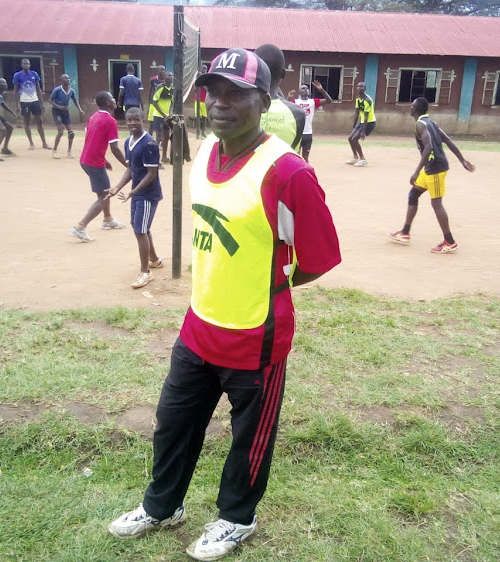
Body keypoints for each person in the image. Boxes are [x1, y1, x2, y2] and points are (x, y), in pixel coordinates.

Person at [106, 48, 341, 562]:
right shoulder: (206, 149)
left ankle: (237, 519)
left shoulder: (288, 172)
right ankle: (162, 507)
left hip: (255, 336)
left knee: (248, 441)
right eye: (214, 90)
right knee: (173, 423)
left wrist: (273, 285)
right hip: (198, 326)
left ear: (265, 99)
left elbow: (322, 257)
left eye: (236, 92)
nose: (220, 102)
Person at [387, 97, 475, 254]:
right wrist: (461, 160)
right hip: (430, 168)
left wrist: (415, 171)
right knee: (413, 194)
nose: (410, 108)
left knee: (436, 204)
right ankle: (405, 232)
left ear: (415, 109)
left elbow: (428, 148)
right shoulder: (431, 122)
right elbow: (447, 140)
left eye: (412, 106)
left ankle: (449, 241)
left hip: (435, 168)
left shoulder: (420, 124)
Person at [105, 107, 164, 289]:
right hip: (137, 193)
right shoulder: (128, 142)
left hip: (147, 194)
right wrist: (117, 187)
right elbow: (130, 169)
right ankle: (154, 259)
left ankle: (145, 272)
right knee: (139, 227)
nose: (132, 123)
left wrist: (133, 191)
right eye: (129, 120)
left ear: (143, 120)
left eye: (136, 119)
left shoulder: (150, 144)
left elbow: (151, 174)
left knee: (140, 230)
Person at [70, 91, 127, 242]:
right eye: (113, 98)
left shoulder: (93, 117)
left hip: (86, 160)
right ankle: (80, 227)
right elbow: (114, 149)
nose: (115, 101)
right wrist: (128, 164)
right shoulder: (110, 121)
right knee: (105, 196)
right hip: (94, 162)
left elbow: (92, 138)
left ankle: (108, 220)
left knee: (104, 191)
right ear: (108, 102)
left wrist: (103, 159)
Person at [254, 44, 305, 150]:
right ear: (282, 74)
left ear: (255, 70)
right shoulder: (297, 113)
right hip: (285, 166)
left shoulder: (241, 107)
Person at [12, 58, 50, 150]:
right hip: (24, 101)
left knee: (39, 122)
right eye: (24, 64)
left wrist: (41, 103)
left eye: (28, 64)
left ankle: (44, 143)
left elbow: (38, 89)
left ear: (30, 65)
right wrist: (17, 105)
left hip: (35, 101)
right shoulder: (18, 75)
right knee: (27, 122)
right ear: (21, 65)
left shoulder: (34, 74)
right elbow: (15, 91)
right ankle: (31, 143)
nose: (26, 65)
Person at [291, 80, 332, 162]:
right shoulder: (295, 102)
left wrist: (321, 90)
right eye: (303, 88)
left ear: (309, 92)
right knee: (296, 157)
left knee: (305, 157)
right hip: (297, 133)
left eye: (307, 88)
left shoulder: (312, 102)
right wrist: (288, 97)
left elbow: (329, 100)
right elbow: (285, 106)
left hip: (308, 134)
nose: (305, 89)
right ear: (299, 92)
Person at [49, 74, 84, 159]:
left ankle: (69, 151)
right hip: (57, 111)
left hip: (65, 112)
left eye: (68, 78)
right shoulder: (57, 90)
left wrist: (80, 109)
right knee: (60, 132)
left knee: (71, 132)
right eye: (65, 78)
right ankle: (54, 150)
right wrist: (59, 106)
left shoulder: (71, 91)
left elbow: (75, 100)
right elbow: (50, 100)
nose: (67, 79)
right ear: (62, 80)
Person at [347, 82, 376, 167]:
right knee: (350, 138)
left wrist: (363, 132)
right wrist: (354, 126)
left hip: (369, 122)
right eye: (358, 86)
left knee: (355, 139)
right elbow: (356, 113)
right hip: (362, 122)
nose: (360, 88)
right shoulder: (358, 99)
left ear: (365, 89)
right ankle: (355, 157)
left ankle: (363, 159)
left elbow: (366, 117)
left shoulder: (367, 100)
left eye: (362, 87)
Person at [151, 72, 174, 163]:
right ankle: (155, 159)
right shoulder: (160, 87)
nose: (171, 77)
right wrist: (164, 115)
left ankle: (164, 157)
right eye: (169, 75)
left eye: (172, 76)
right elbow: (154, 102)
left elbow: (172, 103)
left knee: (167, 136)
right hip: (158, 116)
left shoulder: (172, 89)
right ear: (165, 77)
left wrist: (170, 113)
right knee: (159, 137)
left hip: (167, 117)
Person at [147, 65, 166, 138]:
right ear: (158, 70)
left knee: (161, 124)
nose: (162, 71)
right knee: (152, 123)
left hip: (161, 105)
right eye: (161, 69)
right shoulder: (153, 79)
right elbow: (150, 92)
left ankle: (160, 140)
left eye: (164, 70)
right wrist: (149, 106)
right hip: (153, 104)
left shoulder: (166, 81)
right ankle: (149, 139)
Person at [193, 64, 209, 138]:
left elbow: (208, 89)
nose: (204, 70)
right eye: (203, 68)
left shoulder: (208, 78)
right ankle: (198, 131)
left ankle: (203, 132)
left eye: (205, 68)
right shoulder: (197, 77)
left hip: (205, 100)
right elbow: (195, 87)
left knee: (204, 117)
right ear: (200, 69)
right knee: (198, 117)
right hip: (198, 100)